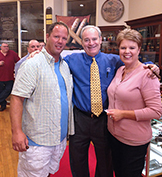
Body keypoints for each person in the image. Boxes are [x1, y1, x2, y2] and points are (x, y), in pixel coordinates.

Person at [28, 25, 159, 177]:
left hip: (104, 120)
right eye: (87, 40)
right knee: (77, 159)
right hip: (80, 120)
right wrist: (37, 54)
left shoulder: (115, 61)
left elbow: (134, 62)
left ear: (101, 40)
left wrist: (153, 66)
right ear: (82, 43)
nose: (91, 43)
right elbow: (52, 59)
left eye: (94, 39)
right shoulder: (71, 60)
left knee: (105, 161)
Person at [9, 22, 74, 177]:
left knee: (50, 173)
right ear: (47, 37)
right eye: (56, 36)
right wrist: (16, 131)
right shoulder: (32, 64)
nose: (60, 41)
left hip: (58, 138)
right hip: (37, 141)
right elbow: (17, 98)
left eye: (64, 38)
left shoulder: (64, 66)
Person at [106, 28, 162, 177]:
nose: (127, 51)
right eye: (123, 47)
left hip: (133, 142)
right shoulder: (120, 70)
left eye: (132, 47)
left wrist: (123, 114)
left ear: (139, 49)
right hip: (114, 136)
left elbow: (157, 111)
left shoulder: (147, 74)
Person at [0, 43, 20, 111]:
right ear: (1, 47)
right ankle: (3, 106)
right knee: (1, 92)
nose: (6, 48)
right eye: (4, 46)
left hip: (10, 77)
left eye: (7, 46)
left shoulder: (12, 53)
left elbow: (19, 62)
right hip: (0, 78)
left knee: (8, 91)